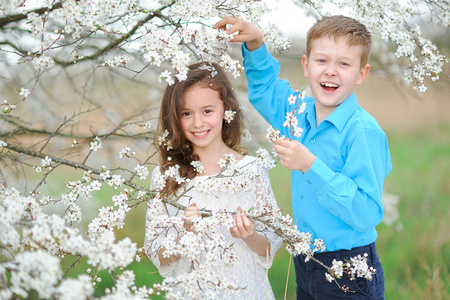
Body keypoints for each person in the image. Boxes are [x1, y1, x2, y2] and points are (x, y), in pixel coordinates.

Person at [213, 16, 392, 299]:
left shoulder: (363, 132)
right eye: (322, 61)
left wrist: (310, 166)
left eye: (344, 64)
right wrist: (256, 43)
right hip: (306, 261)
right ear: (307, 66)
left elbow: (367, 212)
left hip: (349, 267)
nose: (331, 71)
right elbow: (265, 91)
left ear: (361, 73)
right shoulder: (298, 114)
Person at [145, 62, 282, 299]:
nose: (198, 123)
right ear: (174, 118)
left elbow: (269, 248)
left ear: (226, 110)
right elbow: (156, 251)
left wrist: (250, 235)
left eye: (207, 111)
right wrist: (185, 238)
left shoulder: (251, 170)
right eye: (186, 114)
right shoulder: (165, 177)